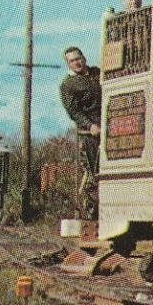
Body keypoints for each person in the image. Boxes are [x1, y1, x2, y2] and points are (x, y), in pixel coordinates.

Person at [60, 46, 102, 219]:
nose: (76, 62)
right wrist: (90, 125)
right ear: (68, 64)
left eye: (78, 58)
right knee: (96, 170)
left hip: (110, 121)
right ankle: (93, 209)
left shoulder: (97, 73)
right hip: (90, 131)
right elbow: (74, 111)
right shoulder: (68, 85)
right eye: (72, 61)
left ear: (84, 58)